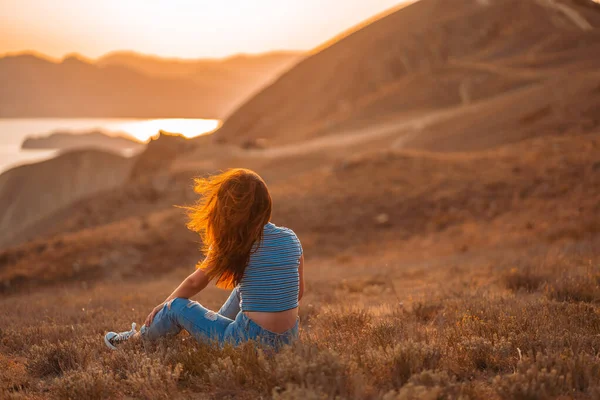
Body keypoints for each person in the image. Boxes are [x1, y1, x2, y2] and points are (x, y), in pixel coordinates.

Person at [104, 168, 304, 349]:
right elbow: (298, 292)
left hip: (248, 342)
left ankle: (135, 342)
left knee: (175, 307)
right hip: (288, 340)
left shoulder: (236, 243)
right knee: (240, 291)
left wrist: (163, 306)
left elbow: (194, 283)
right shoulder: (290, 237)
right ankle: (208, 333)